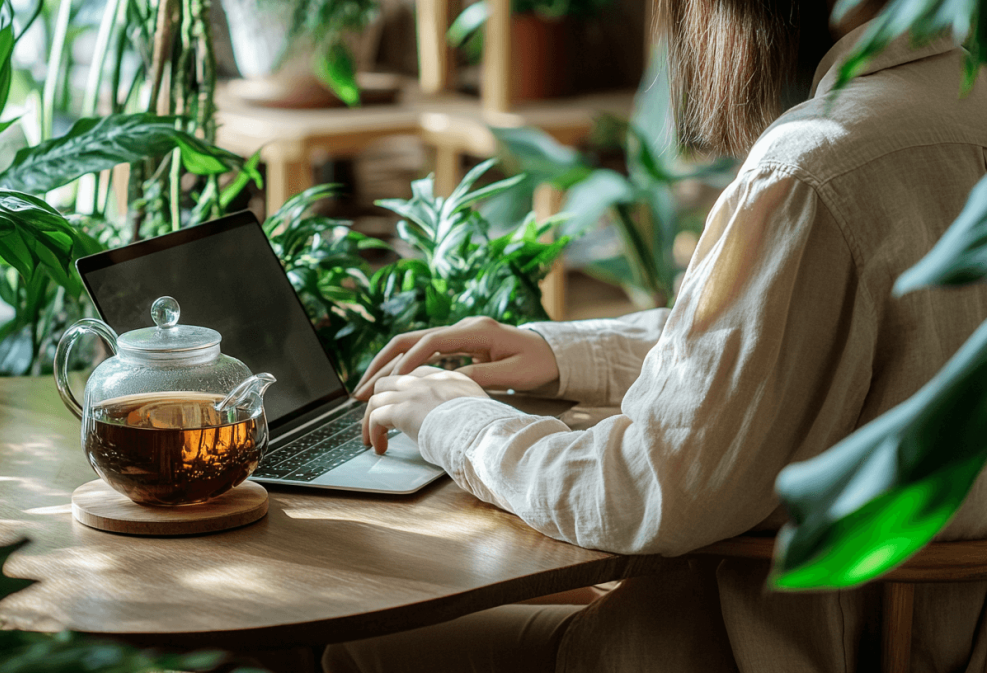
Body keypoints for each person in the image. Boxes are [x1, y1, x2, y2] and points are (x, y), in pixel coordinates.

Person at [323, 0, 987, 671]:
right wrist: (559, 352)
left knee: (351, 633)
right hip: (947, 639)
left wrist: (455, 422)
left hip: (763, 646)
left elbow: (647, 489)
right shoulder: (965, 96)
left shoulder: (814, 162)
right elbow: (819, 339)